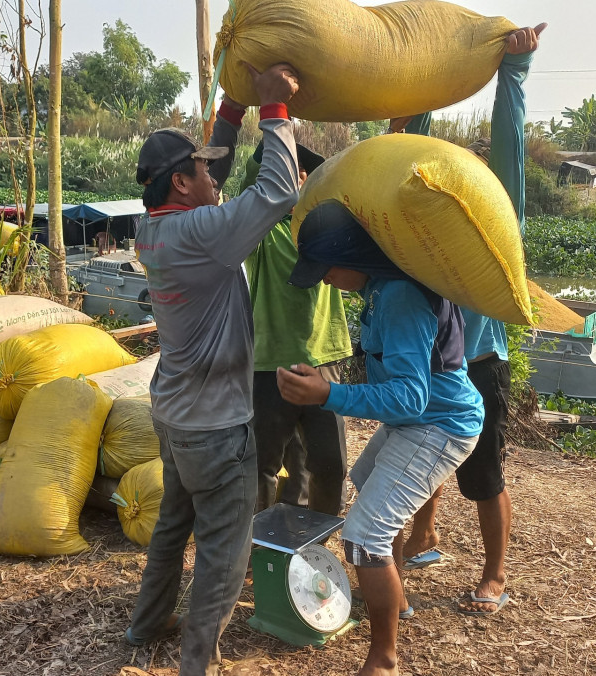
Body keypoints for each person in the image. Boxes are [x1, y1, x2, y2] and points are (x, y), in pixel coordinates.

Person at [123, 62, 302, 676]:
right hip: (215, 428)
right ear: (180, 183)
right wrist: (274, 109)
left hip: (175, 417)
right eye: (201, 170)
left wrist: (230, 112)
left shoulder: (154, 229)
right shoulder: (202, 235)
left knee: (173, 526)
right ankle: (197, 664)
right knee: (223, 555)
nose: (213, 178)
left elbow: (212, 182)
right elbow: (277, 193)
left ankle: (144, 626)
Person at [277, 200, 484, 676]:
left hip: (439, 425)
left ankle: (383, 659)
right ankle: (398, 602)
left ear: (354, 258)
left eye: (327, 270)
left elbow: (409, 398)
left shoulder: (400, 298)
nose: (326, 281)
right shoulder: (381, 288)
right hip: (420, 419)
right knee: (366, 482)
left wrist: (326, 393)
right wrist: (326, 387)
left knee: (365, 538)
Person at [397, 24, 546, 617]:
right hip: (427, 358)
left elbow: (509, 149)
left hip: (480, 362)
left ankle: (495, 573)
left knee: (482, 472)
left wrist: (514, 74)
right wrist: (431, 81)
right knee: (419, 453)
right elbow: (407, 151)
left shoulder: (497, 225)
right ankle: (427, 535)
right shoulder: (421, 228)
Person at [242, 142, 352, 517]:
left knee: (328, 465)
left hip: (325, 357)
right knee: (261, 466)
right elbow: (247, 186)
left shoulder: (328, 230)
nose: (296, 185)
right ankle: (257, 547)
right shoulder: (262, 234)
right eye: (287, 176)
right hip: (270, 363)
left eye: (302, 177)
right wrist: (272, 139)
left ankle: (310, 544)